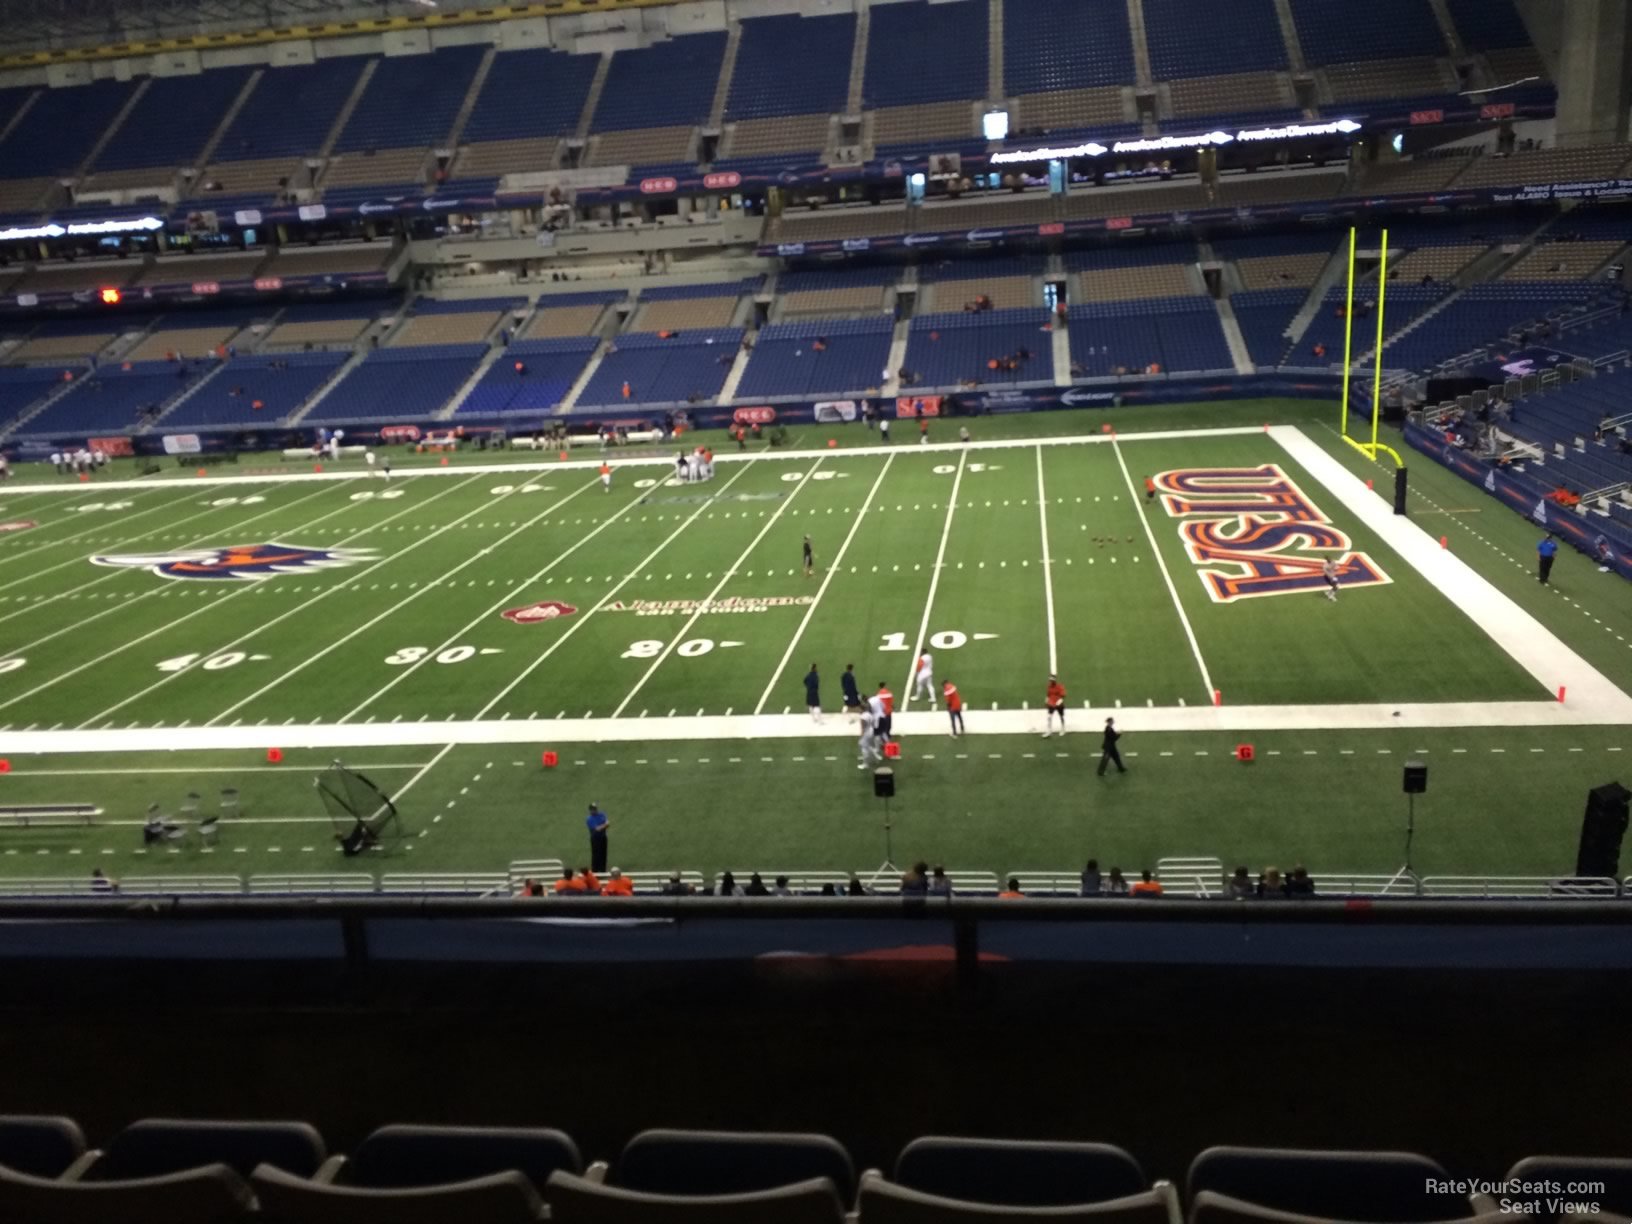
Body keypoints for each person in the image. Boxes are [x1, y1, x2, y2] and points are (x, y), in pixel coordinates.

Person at [857, 706, 885, 770]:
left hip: (866, 733)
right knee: (868, 746)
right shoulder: (869, 714)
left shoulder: (862, 717)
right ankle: (876, 757)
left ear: (861, 709)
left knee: (864, 748)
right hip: (871, 731)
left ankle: (865, 764)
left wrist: (861, 736)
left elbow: (863, 727)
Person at [586, 803, 609, 874]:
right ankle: (595, 870)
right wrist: (605, 825)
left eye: (595, 809)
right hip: (595, 838)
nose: (594, 810)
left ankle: (603, 869)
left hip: (603, 837)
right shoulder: (589, 819)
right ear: (590, 810)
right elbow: (597, 829)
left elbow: (608, 823)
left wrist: (603, 825)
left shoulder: (602, 814)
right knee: (596, 855)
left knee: (603, 853)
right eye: (593, 809)